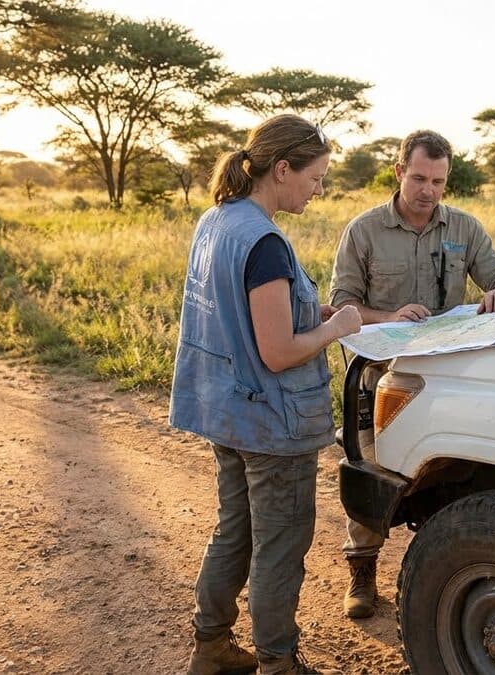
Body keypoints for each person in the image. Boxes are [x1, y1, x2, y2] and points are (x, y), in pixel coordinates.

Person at [171, 114, 360, 675]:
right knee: (279, 545)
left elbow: (249, 316)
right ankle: (278, 664)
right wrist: (337, 328)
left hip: (226, 412)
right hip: (272, 424)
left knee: (235, 529)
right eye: (316, 177)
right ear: (282, 169)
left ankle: (211, 649)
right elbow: (277, 351)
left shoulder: (216, 220)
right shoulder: (266, 241)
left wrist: (315, 313)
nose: (318, 188)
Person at [328, 130, 495, 618]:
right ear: (399, 173)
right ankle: (362, 570)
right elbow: (341, 308)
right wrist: (388, 317)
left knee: (454, 472)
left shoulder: (464, 227)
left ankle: (451, 574)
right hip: (380, 377)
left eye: (438, 181)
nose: (428, 191)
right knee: (374, 471)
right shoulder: (363, 231)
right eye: (418, 178)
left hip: (446, 378)